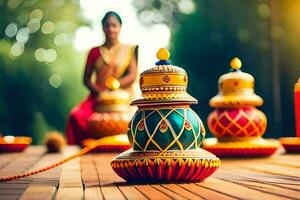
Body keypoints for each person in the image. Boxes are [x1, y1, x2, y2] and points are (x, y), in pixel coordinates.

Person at [66, 11, 138, 145]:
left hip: (122, 96)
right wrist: (99, 92)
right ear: (102, 28)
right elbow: (86, 79)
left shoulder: (128, 50)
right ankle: (86, 148)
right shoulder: (94, 52)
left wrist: (116, 85)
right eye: (107, 26)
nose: (111, 29)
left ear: (120, 27)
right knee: (76, 116)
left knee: (134, 119)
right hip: (98, 96)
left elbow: (132, 75)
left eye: (114, 25)